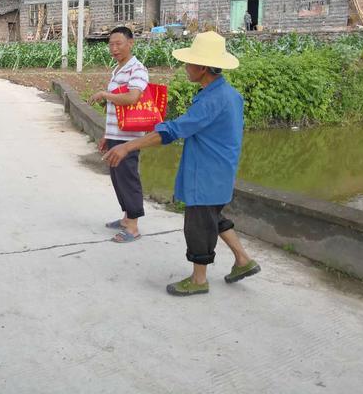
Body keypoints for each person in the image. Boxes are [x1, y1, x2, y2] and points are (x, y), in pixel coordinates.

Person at [103, 31, 260, 296]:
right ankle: (243, 260)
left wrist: (128, 145)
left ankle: (199, 280)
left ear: (203, 67)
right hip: (221, 170)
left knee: (198, 225)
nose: (185, 67)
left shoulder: (211, 100)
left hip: (206, 172)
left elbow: (174, 130)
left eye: (189, 63)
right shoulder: (229, 94)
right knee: (213, 217)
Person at [89, 26, 148, 243]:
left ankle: (133, 227)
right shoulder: (118, 69)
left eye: (118, 44)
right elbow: (116, 108)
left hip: (129, 137)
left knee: (128, 179)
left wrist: (105, 94)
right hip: (117, 133)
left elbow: (133, 97)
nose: (114, 48)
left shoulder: (137, 69)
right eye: (111, 44)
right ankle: (126, 218)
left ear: (130, 43)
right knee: (118, 178)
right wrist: (107, 134)